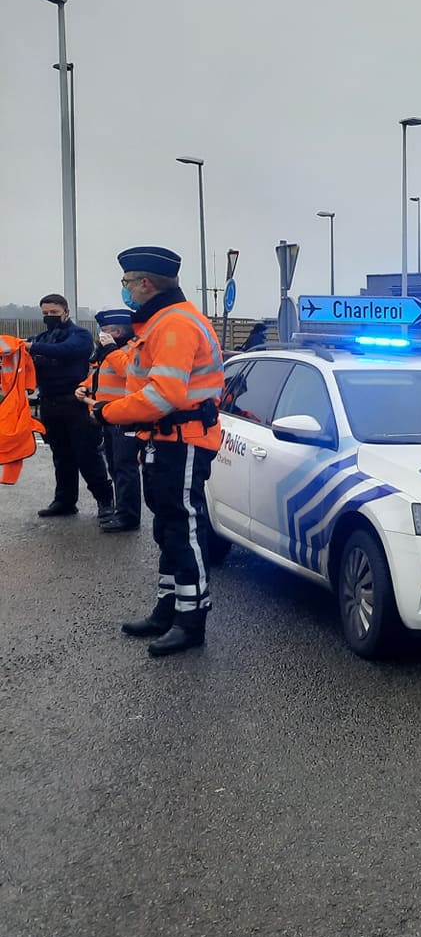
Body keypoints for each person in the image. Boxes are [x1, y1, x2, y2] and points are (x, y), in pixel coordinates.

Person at [83, 246, 224, 656]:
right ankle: (168, 608)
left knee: (185, 528)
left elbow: (164, 394)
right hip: (164, 440)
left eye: (127, 283)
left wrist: (109, 412)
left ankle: (191, 619)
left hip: (183, 440)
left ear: (146, 283)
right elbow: (141, 374)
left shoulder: (174, 325)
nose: (125, 291)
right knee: (168, 528)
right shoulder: (160, 322)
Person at [27, 292, 113, 519]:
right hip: (49, 404)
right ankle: (64, 501)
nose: (49, 317)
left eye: (54, 313)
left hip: (75, 404)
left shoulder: (80, 336)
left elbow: (67, 350)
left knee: (87, 455)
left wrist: (32, 347)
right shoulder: (43, 338)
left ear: (66, 312)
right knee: (61, 456)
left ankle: (105, 501)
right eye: (45, 313)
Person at [85, 309, 143, 532]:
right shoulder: (110, 352)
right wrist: (85, 387)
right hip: (108, 415)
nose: (101, 335)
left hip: (125, 417)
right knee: (115, 465)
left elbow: (128, 372)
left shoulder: (131, 350)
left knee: (124, 467)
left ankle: (128, 517)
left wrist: (109, 349)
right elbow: (102, 376)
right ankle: (122, 511)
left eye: (106, 331)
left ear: (118, 331)